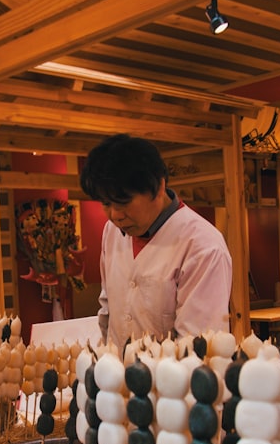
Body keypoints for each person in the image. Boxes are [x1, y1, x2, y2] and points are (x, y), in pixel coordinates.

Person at [80, 134, 233, 348]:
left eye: (123, 202)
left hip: (174, 380)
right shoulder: (111, 232)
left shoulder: (202, 245)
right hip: (116, 377)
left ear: (159, 187)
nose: (115, 215)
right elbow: (108, 311)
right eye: (106, 203)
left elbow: (198, 344)